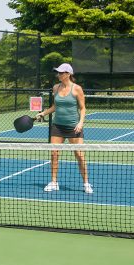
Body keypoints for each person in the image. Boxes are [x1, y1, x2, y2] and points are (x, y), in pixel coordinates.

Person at [34, 63, 93, 194]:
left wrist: (80, 123)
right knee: (54, 153)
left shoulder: (77, 89)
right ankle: (54, 182)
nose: (59, 75)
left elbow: (83, 108)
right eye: (58, 72)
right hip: (58, 126)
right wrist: (43, 113)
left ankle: (86, 183)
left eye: (61, 73)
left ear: (68, 74)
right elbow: (55, 106)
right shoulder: (56, 88)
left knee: (79, 155)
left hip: (73, 127)